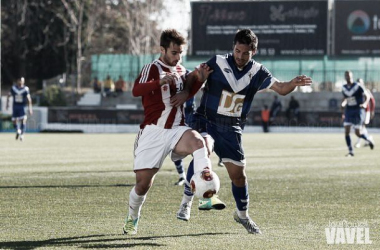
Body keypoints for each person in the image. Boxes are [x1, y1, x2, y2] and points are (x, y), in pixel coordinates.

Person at [175, 29, 312, 234]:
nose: (239, 56)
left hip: (232, 129)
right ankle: (186, 202)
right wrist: (192, 85)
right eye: (237, 51)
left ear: (254, 51)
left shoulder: (258, 72)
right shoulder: (218, 62)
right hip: (207, 121)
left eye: (245, 53)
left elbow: (281, 88)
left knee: (239, 177)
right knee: (203, 150)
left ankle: (242, 216)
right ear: (233, 47)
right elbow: (194, 78)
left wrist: (293, 83)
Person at [122, 29, 217, 235]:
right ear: (162, 49)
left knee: (199, 143)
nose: (178, 57)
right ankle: (132, 217)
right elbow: (136, 90)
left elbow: (187, 90)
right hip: (153, 132)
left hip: (177, 129)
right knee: (143, 185)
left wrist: (197, 82)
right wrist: (160, 82)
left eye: (181, 53)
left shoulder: (182, 70)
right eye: (174, 52)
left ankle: (206, 194)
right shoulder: (153, 68)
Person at [341, 71, 374, 157]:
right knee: (346, 131)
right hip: (348, 111)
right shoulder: (344, 87)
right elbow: (346, 98)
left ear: (352, 76)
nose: (347, 77)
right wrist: (343, 105)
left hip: (357, 111)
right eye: (346, 76)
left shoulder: (358, 86)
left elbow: (367, 96)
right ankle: (351, 151)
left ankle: (368, 139)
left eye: (349, 76)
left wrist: (365, 103)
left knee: (357, 133)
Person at [173, 96, 196, 186]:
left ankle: (201, 175)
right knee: (175, 148)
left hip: (190, 117)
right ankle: (182, 176)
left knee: (196, 149)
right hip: (176, 118)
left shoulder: (191, 83)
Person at [6, 77, 33, 141]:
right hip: (18, 107)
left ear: (23, 81)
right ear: (17, 81)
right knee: (16, 120)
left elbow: (29, 99)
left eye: (22, 81)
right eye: (20, 81)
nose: (20, 82)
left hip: (19, 107)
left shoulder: (24, 89)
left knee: (21, 120)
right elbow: (8, 95)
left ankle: (20, 133)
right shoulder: (15, 88)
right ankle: (20, 132)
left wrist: (30, 108)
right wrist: (7, 104)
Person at [355, 79, 375, 148]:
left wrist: (372, 111)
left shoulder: (366, 91)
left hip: (366, 111)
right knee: (362, 127)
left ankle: (358, 143)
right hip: (359, 111)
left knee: (361, 127)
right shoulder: (356, 91)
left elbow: (372, 101)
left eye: (360, 82)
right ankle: (368, 139)